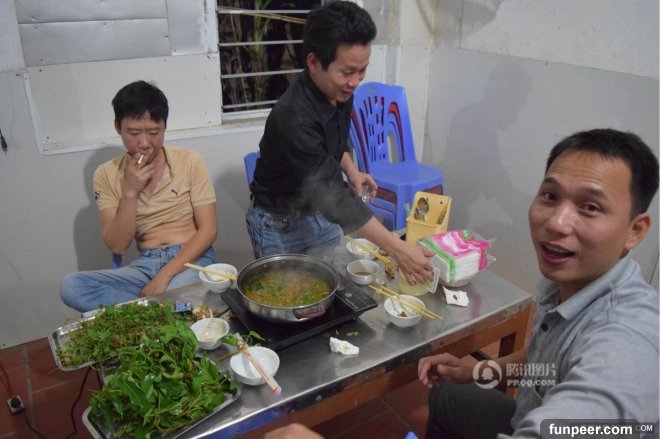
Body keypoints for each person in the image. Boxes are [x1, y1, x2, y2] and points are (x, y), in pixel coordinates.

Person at [418, 128, 659, 438]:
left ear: (635, 231)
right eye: (551, 196)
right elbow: (544, 363)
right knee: (447, 394)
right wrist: (476, 371)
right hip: (526, 413)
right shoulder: (567, 283)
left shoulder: (625, 345)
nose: (556, 222)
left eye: (591, 207)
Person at [246, 0, 433, 283]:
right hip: (279, 224)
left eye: (362, 70)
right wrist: (398, 248)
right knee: (290, 294)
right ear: (314, 62)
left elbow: (333, 141)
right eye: (347, 72)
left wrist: (352, 170)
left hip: (318, 214)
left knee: (336, 286)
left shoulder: (338, 92)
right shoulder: (294, 117)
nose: (356, 82)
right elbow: (333, 195)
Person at [60, 81, 217, 313]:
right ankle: (162, 309)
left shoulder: (190, 161)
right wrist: (130, 191)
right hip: (144, 265)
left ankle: (150, 309)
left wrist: (165, 275)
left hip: (191, 259)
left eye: (154, 132)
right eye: (133, 133)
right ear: (118, 127)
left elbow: (209, 230)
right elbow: (117, 246)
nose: (144, 143)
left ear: (164, 126)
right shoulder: (106, 173)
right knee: (72, 287)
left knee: (177, 291)